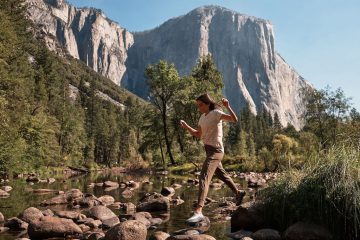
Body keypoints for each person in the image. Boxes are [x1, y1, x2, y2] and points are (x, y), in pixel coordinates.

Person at [180, 93, 245, 223]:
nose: (199, 107)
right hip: (208, 151)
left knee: (203, 176)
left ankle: (198, 210)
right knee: (222, 175)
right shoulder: (201, 118)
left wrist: (228, 106)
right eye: (198, 105)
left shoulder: (216, 113)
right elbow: (198, 135)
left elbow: (234, 119)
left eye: (201, 105)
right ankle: (238, 193)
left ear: (208, 103)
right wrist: (187, 127)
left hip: (216, 151)